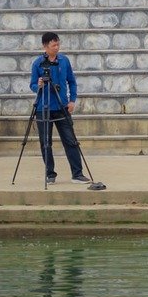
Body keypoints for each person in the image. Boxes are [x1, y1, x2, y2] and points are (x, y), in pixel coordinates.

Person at [29, 32, 91, 186]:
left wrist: (72, 100)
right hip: (43, 107)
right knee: (45, 143)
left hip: (62, 106)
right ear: (45, 46)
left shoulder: (64, 60)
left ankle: (77, 174)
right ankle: (50, 174)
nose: (56, 48)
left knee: (71, 141)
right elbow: (32, 85)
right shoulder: (37, 63)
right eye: (53, 45)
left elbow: (72, 81)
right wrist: (39, 85)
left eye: (58, 44)